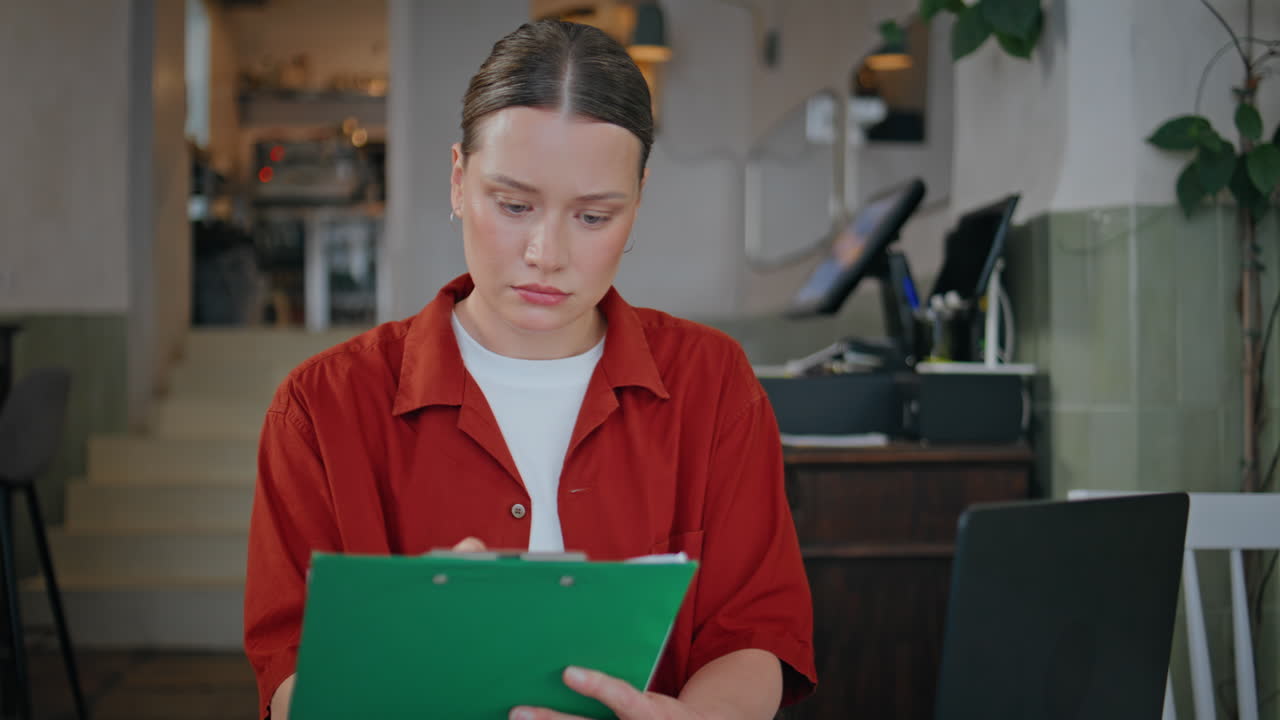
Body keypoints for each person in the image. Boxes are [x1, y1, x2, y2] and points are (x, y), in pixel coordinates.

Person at [244, 18, 816, 720]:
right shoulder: (321, 408)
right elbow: (289, 673)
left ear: (637, 205)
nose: (546, 253)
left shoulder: (712, 383)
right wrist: (404, 638)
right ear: (459, 181)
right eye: (514, 205)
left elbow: (754, 632)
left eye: (594, 217)